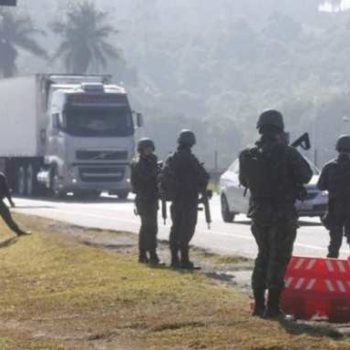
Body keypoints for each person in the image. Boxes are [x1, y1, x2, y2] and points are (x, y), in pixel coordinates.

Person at [239, 110, 312, 319]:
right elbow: (306, 176)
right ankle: (272, 308)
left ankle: (258, 305)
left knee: (263, 256)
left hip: (259, 213)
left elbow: (244, 181)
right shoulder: (288, 153)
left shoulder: (247, 154)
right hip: (282, 214)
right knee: (278, 259)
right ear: (280, 129)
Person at [163, 130, 209, 269]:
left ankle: (175, 259)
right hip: (189, 199)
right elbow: (203, 177)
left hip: (177, 200)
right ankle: (184, 259)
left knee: (176, 228)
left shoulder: (171, 158)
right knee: (187, 229)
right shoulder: (190, 158)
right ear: (191, 143)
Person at [318, 135, 350, 258]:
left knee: (334, 241)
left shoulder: (329, 166)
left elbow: (320, 186)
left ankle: (331, 266)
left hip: (335, 207)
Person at [130, 138, 161, 265]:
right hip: (143, 198)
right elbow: (145, 178)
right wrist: (156, 173)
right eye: (146, 148)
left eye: (150, 148)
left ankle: (143, 254)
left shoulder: (152, 161)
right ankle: (151, 254)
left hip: (152, 197)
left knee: (147, 227)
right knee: (149, 227)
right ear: (141, 150)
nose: (149, 151)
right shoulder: (138, 163)